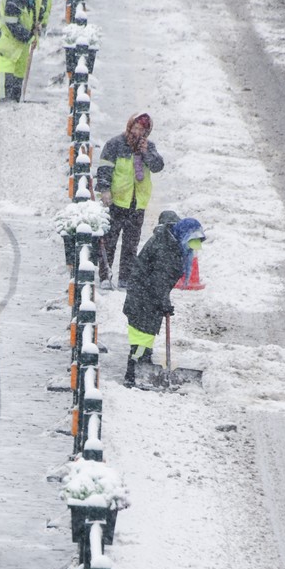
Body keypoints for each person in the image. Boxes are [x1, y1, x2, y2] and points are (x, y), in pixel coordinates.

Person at [122, 214, 206, 387]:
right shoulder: (166, 250)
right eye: (192, 240)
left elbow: (159, 281)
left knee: (145, 337)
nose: (194, 246)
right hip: (142, 300)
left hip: (147, 298)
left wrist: (162, 301)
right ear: (184, 235)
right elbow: (158, 280)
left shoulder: (171, 243)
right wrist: (164, 303)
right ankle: (133, 374)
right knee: (141, 339)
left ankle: (141, 367)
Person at [95, 113, 165, 290]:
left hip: (137, 203)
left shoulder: (149, 148)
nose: (137, 132)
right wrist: (105, 190)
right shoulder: (115, 144)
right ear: (129, 126)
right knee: (109, 241)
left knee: (130, 245)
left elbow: (158, 166)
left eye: (142, 129)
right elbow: (104, 169)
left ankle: (125, 278)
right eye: (135, 127)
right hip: (116, 202)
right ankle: (105, 275)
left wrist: (146, 152)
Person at [0, 0, 44, 102]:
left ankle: (15, 100)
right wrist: (29, 36)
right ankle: (3, 100)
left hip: (23, 43)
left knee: (19, 72)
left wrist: (38, 26)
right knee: (6, 69)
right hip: (7, 41)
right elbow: (13, 26)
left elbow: (39, 11)